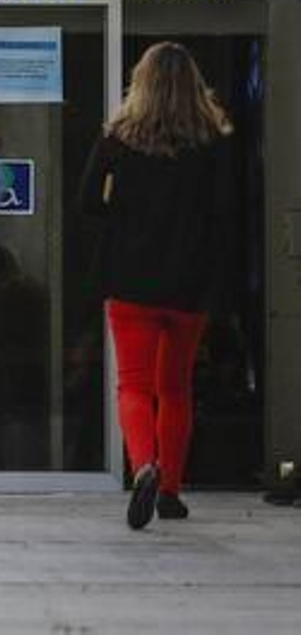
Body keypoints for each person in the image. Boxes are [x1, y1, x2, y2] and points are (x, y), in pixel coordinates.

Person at [79, 42, 233, 530]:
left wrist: (123, 216)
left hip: (129, 279)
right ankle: (170, 491)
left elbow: (87, 201)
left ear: (141, 82)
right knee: (176, 388)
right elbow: (224, 217)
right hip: (188, 285)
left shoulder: (118, 137)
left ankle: (144, 464)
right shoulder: (213, 140)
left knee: (134, 385)